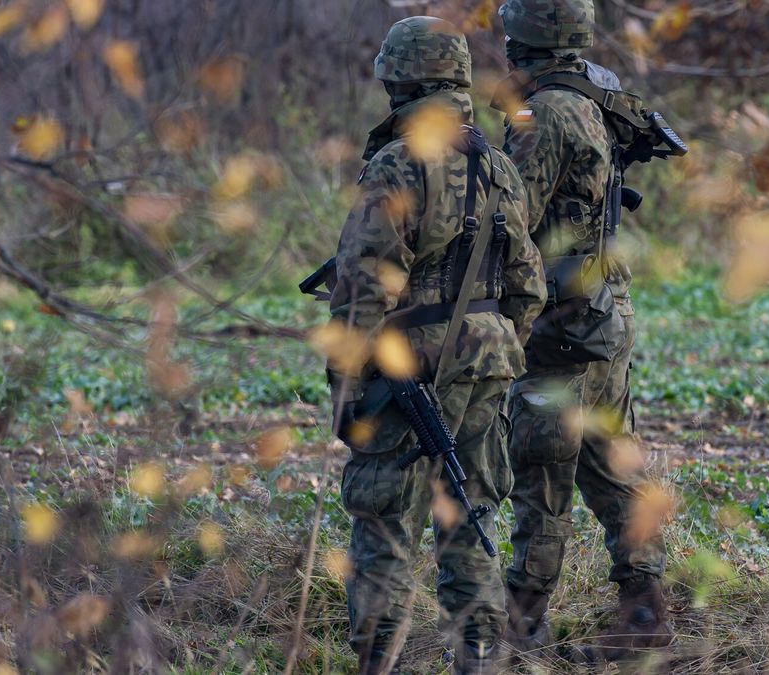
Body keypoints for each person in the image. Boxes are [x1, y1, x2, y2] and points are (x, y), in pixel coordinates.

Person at [325, 16, 545, 674]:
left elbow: (364, 284)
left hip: (408, 368)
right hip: (488, 361)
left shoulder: (398, 163)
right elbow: (527, 284)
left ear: (401, 82)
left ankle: (379, 661)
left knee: (385, 521)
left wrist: (347, 386)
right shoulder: (496, 165)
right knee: (469, 516)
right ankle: (478, 657)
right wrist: (498, 347)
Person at [495, 0, 672, 661]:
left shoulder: (544, 113)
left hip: (564, 325)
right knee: (609, 466)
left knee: (542, 472)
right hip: (604, 311)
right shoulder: (594, 91)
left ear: (526, 36)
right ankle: (645, 615)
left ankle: (521, 626)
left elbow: (509, 223)